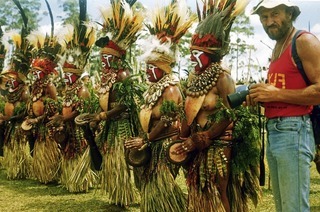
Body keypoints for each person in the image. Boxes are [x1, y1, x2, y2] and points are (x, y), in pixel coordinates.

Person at [172, 1, 261, 212]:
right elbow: (189, 110)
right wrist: (184, 136)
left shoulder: (223, 78)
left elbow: (230, 115)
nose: (192, 58)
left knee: (217, 188)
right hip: (195, 141)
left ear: (210, 54)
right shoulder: (195, 77)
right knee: (196, 186)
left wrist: (206, 137)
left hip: (219, 142)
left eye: (197, 54)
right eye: (191, 53)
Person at [124, 1, 195, 211]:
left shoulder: (170, 89)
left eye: (151, 67)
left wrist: (146, 139)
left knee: (159, 184)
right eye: (146, 67)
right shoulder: (154, 88)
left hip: (164, 144)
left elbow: (166, 121)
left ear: (162, 68)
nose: (147, 71)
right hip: (152, 141)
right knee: (149, 184)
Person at [250, 0, 320, 211]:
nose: (269, 21)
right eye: (264, 17)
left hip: (293, 131)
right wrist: (262, 96)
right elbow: (282, 91)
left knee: (293, 208)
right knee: (285, 207)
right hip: (276, 131)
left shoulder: (304, 41)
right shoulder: (279, 46)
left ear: (289, 14)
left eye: (275, 14)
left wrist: (276, 93)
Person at [77, 0, 144, 207]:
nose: (103, 61)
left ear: (116, 58)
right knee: (111, 157)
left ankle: (124, 197)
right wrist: (97, 115)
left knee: (120, 158)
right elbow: (104, 99)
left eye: (107, 57)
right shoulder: (107, 76)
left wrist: (103, 116)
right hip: (110, 124)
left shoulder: (123, 75)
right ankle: (118, 195)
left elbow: (126, 105)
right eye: (102, 57)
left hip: (122, 124)